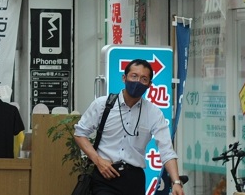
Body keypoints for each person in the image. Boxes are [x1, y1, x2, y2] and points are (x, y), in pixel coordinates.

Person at [73, 59, 183, 195]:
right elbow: (80, 133)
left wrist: (176, 182)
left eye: (144, 79)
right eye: (134, 76)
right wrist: (98, 160)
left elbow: (166, 150)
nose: (138, 82)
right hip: (105, 174)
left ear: (149, 85)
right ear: (124, 78)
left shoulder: (154, 113)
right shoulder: (102, 104)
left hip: (134, 179)